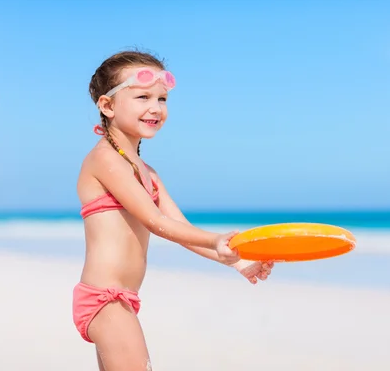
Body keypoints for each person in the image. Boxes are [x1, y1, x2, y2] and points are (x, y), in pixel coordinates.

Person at [73, 50, 274, 370]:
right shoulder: (105, 160)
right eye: (142, 97)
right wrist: (215, 239)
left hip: (124, 300)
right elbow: (154, 221)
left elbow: (180, 228)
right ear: (107, 106)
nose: (155, 107)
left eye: (162, 99)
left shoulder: (148, 173)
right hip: (105, 298)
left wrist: (238, 261)